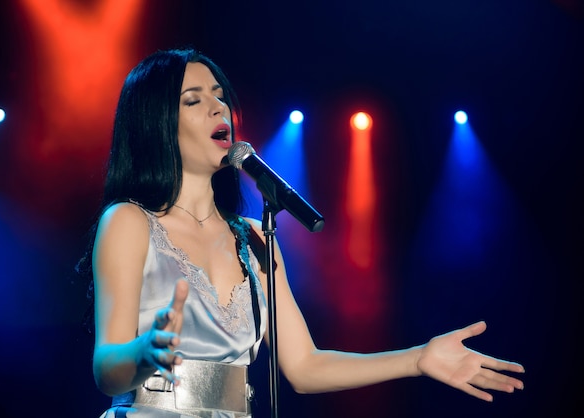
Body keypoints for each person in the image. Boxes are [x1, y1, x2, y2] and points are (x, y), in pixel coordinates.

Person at [76, 48, 524, 418]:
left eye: (219, 95)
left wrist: (418, 359)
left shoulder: (253, 237)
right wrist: (144, 352)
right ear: (156, 125)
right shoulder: (130, 222)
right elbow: (106, 367)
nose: (218, 107)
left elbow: (304, 365)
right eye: (193, 100)